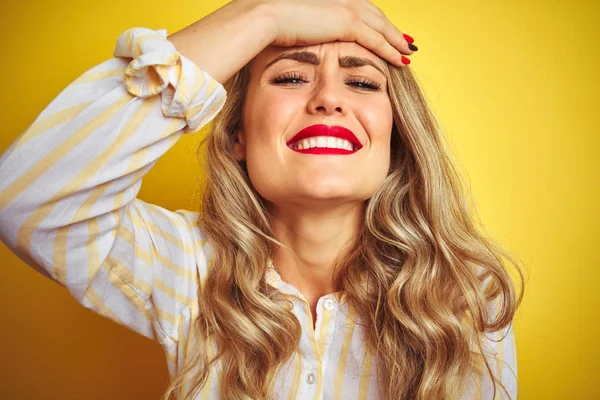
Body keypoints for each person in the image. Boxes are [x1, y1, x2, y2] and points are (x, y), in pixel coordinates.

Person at [0, 0, 524, 399]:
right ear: (238, 139)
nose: (329, 98)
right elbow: (26, 201)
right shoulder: (187, 266)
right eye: (292, 76)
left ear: (398, 140)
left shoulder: (466, 293)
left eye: (362, 82)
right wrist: (264, 14)